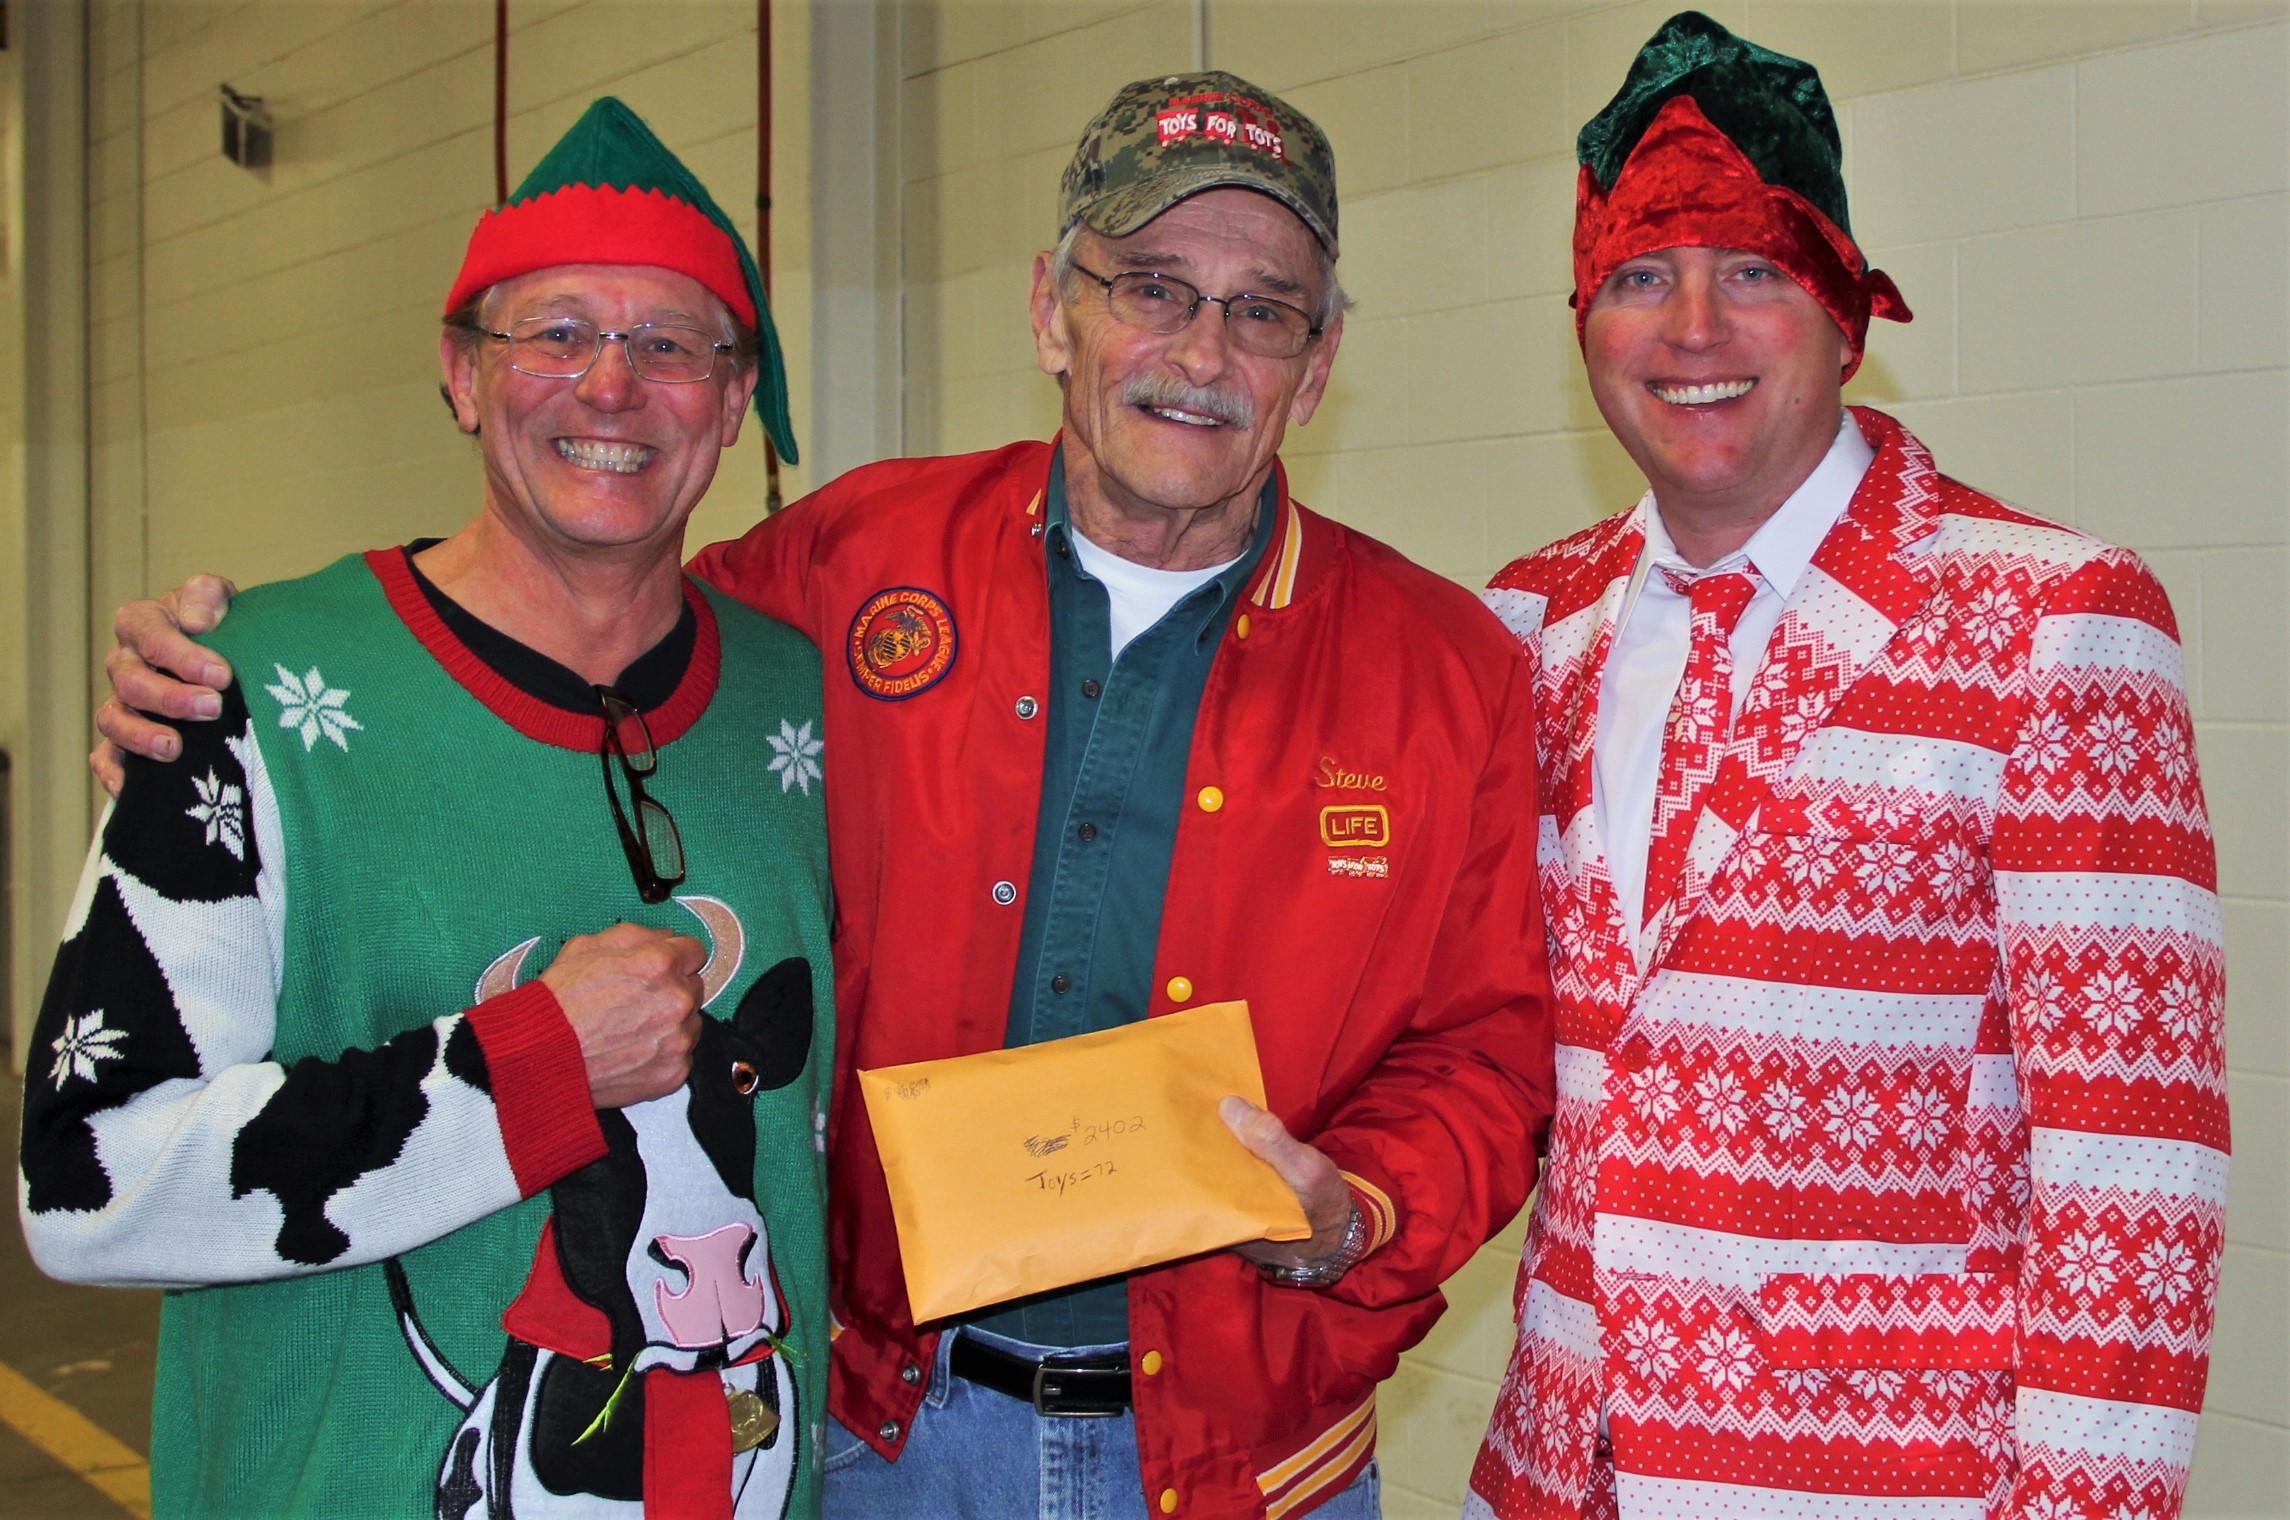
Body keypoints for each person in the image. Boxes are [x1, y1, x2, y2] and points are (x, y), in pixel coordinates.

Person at [96, 71, 1556, 1520]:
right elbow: (585, 649)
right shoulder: (853, 560)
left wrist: (1349, 1211)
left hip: (1250, 1466)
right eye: (1152, 287)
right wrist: (261, 708)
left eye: (1262, 311)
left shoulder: (1443, 671)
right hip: (878, 1441)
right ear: (1054, 307)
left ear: (1318, 360)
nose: (1199, 351)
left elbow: (1484, 1047)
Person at [1463, 15, 2229, 1520]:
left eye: (1751, 271)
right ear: (1582, 324)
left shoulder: (2052, 617)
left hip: (1887, 1477)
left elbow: (2136, 1163)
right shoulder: (1524, 621)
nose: (1692, 328)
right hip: (1563, 1465)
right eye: (1637, 277)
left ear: (1841, 315)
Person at [31, 99, 835, 1520]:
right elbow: (91, 1182)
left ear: (731, 398)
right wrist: (526, 1069)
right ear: (464, 376)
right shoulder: (241, 694)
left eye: (669, 344)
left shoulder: (812, 708)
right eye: (555, 333)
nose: (610, 386)